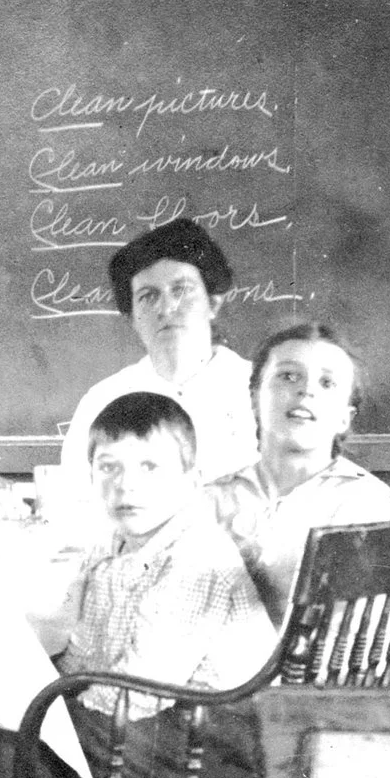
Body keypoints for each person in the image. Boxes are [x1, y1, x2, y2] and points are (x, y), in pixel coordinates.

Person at [53, 220, 258, 539]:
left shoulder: (257, 389)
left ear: (213, 303)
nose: (167, 308)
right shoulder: (105, 398)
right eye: (148, 297)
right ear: (132, 317)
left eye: (182, 290)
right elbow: (75, 505)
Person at [206, 324, 390, 624]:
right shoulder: (210, 499)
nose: (306, 390)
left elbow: (362, 632)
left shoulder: (367, 506)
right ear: (254, 399)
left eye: (327, 383)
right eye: (288, 376)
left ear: (344, 418)